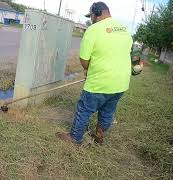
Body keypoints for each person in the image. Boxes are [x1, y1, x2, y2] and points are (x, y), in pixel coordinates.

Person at [56, 2, 133, 145]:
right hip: (121, 82)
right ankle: (99, 136)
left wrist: (87, 69)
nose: (90, 18)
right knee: (107, 111)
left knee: (84, 108)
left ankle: (75, 138)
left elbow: (84, 59)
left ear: (97, 13)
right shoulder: (124, 30)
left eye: (91, 15)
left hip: (100, 81)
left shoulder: (93, 29)